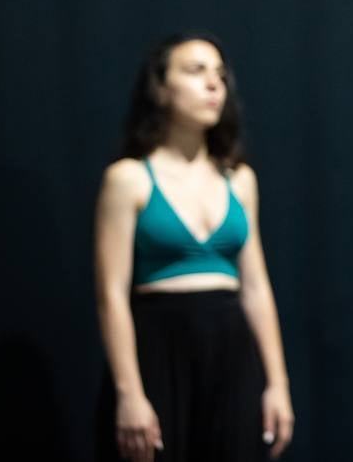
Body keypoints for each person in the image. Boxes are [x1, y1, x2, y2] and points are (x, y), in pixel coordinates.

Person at [94, 33, 294, 461]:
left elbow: (256, 288)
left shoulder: (239, 180)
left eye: (220, 75)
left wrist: (278, 384)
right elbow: (111, 294)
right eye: (195, 71)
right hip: (160, 347)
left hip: (231, 352)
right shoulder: (129, 179)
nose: (213, 84)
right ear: (161, 89)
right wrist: (129, 393)